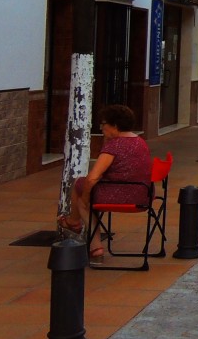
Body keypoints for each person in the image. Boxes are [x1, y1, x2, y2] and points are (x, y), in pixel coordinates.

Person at [58, 104, 153, 262]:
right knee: (88, 192)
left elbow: (93, 177)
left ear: (114, 126)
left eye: (103, 125)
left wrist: (86, 198)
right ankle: (78, 227)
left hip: (121, 195)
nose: (101, 128)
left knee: (82, 189)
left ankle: (84, 234)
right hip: (143, 195)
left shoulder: (115, 146)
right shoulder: (140, 142)